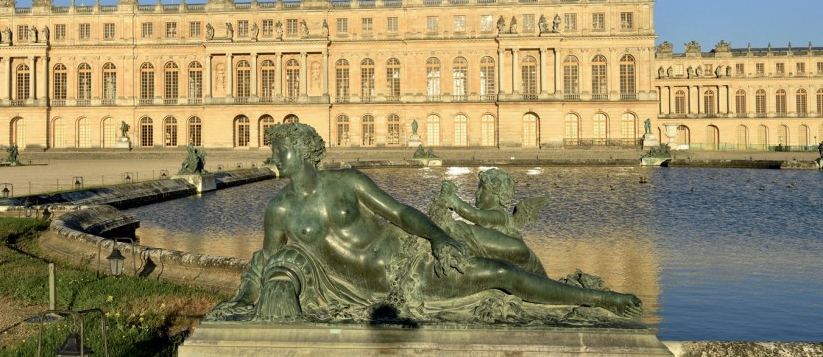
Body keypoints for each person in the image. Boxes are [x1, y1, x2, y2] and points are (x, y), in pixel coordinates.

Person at [210, 123, 641, 322]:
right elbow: (265, 262)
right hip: (381, 285)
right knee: (497, 273)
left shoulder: (347, 182)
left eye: (279, 149)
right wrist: (243, 300)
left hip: (406, 255)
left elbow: (400, 213)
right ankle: (594, 300)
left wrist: (438, 239)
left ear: (302, 151)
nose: (272, 157)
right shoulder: (278, 210)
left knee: (504, 267)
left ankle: (600, 301)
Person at [433, 169, 546, 275]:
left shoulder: (498, 215)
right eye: (478, 188)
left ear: (499, 196)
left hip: (516, 252)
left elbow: (474, 214)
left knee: (461, 229)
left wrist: (453, 200)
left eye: (483, 190)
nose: (477, 193)